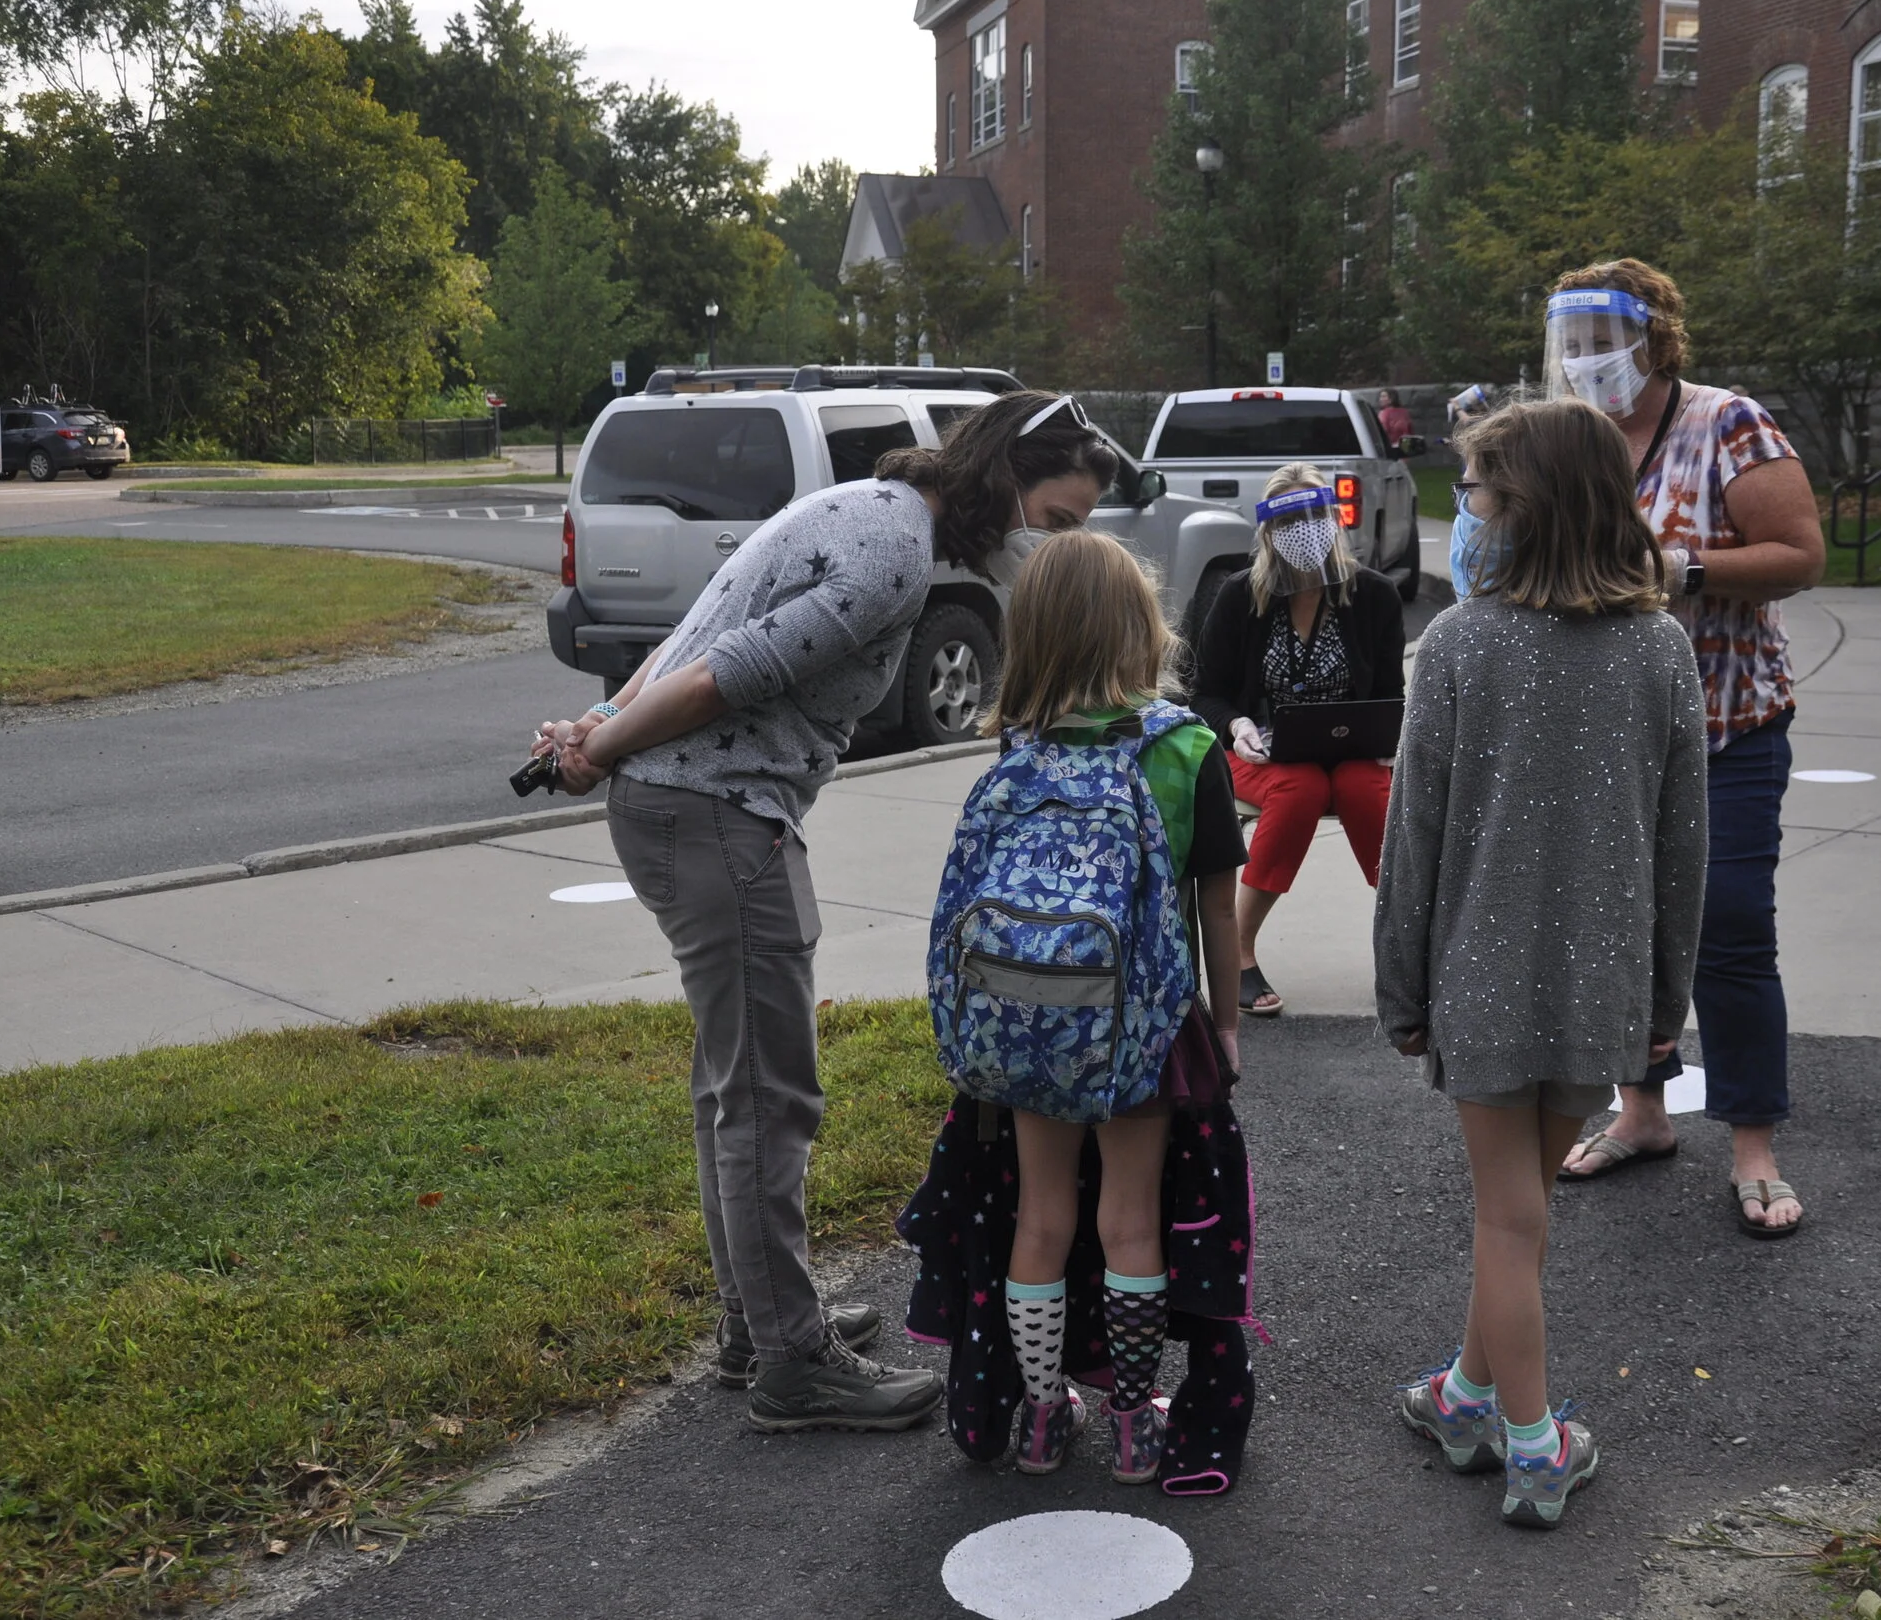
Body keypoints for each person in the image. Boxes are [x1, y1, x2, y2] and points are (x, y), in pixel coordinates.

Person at [533, 390, 1114, 1434]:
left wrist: (599, 722)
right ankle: (792, 1364)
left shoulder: (868, 504)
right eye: (1058, 523)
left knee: (736, 1087)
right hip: (719, 816)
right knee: (767, 1096)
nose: (1056, 549)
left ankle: (759, 1323)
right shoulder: (893, 551)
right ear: (1005, 483)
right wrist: (602, 744)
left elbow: (699, 631)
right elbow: (726, 673)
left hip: (699, 808)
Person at [1375, 397, 1707, 1529]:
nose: (1462, 512)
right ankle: (1466, 1397)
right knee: (1513, 1214)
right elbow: (1682, 851)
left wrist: (1400, 990)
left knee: (1506, 1218)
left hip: (1478, 983)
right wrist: (1667, 1001)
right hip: (1604, 989)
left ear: (1523, 507)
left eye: (1474, 494)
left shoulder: (1460, 645)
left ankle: (1530, 1445)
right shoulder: (1661, 649)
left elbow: (1410, 838)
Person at [952, 528, 1246, 1483]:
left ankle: (1041, 1418)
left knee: (1041, 1218)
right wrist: (1227, 1025)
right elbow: (1214, 910)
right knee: (1129, 1219)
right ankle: (1131, 1421)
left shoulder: (1019, 745)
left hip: (1030, 1017)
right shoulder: (1190, 747)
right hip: (1146, 1032)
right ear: (1140, 630)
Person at [1543, 261, 1825, 1238]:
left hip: (1726, 723)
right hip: (1610, 737)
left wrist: (1683, 568)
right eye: (1569, 344)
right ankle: (1642, 1112)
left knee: (1732, 924)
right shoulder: (1567, 437)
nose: (1584, 362)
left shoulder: (1725, 422)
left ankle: (1753, 1146)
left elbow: (1799, 553)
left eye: (1599, 340)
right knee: (1626, 931)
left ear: (1653, 336)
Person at [1192, 462, 1408, 1018]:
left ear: (1333, 521)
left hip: (1354, 753)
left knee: (1366, 790)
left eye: (1316, 515)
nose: (1306, 531)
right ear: (1267, 530)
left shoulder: (1374, 596)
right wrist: (1236, 727)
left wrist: (1387, 738)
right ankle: (1237, 952)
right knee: (1300, 787)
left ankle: (1408, 947)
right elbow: (1207, 693)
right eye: (1291, 520)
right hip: (1261, 753)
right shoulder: (1241, 596)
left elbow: (1389, 692)